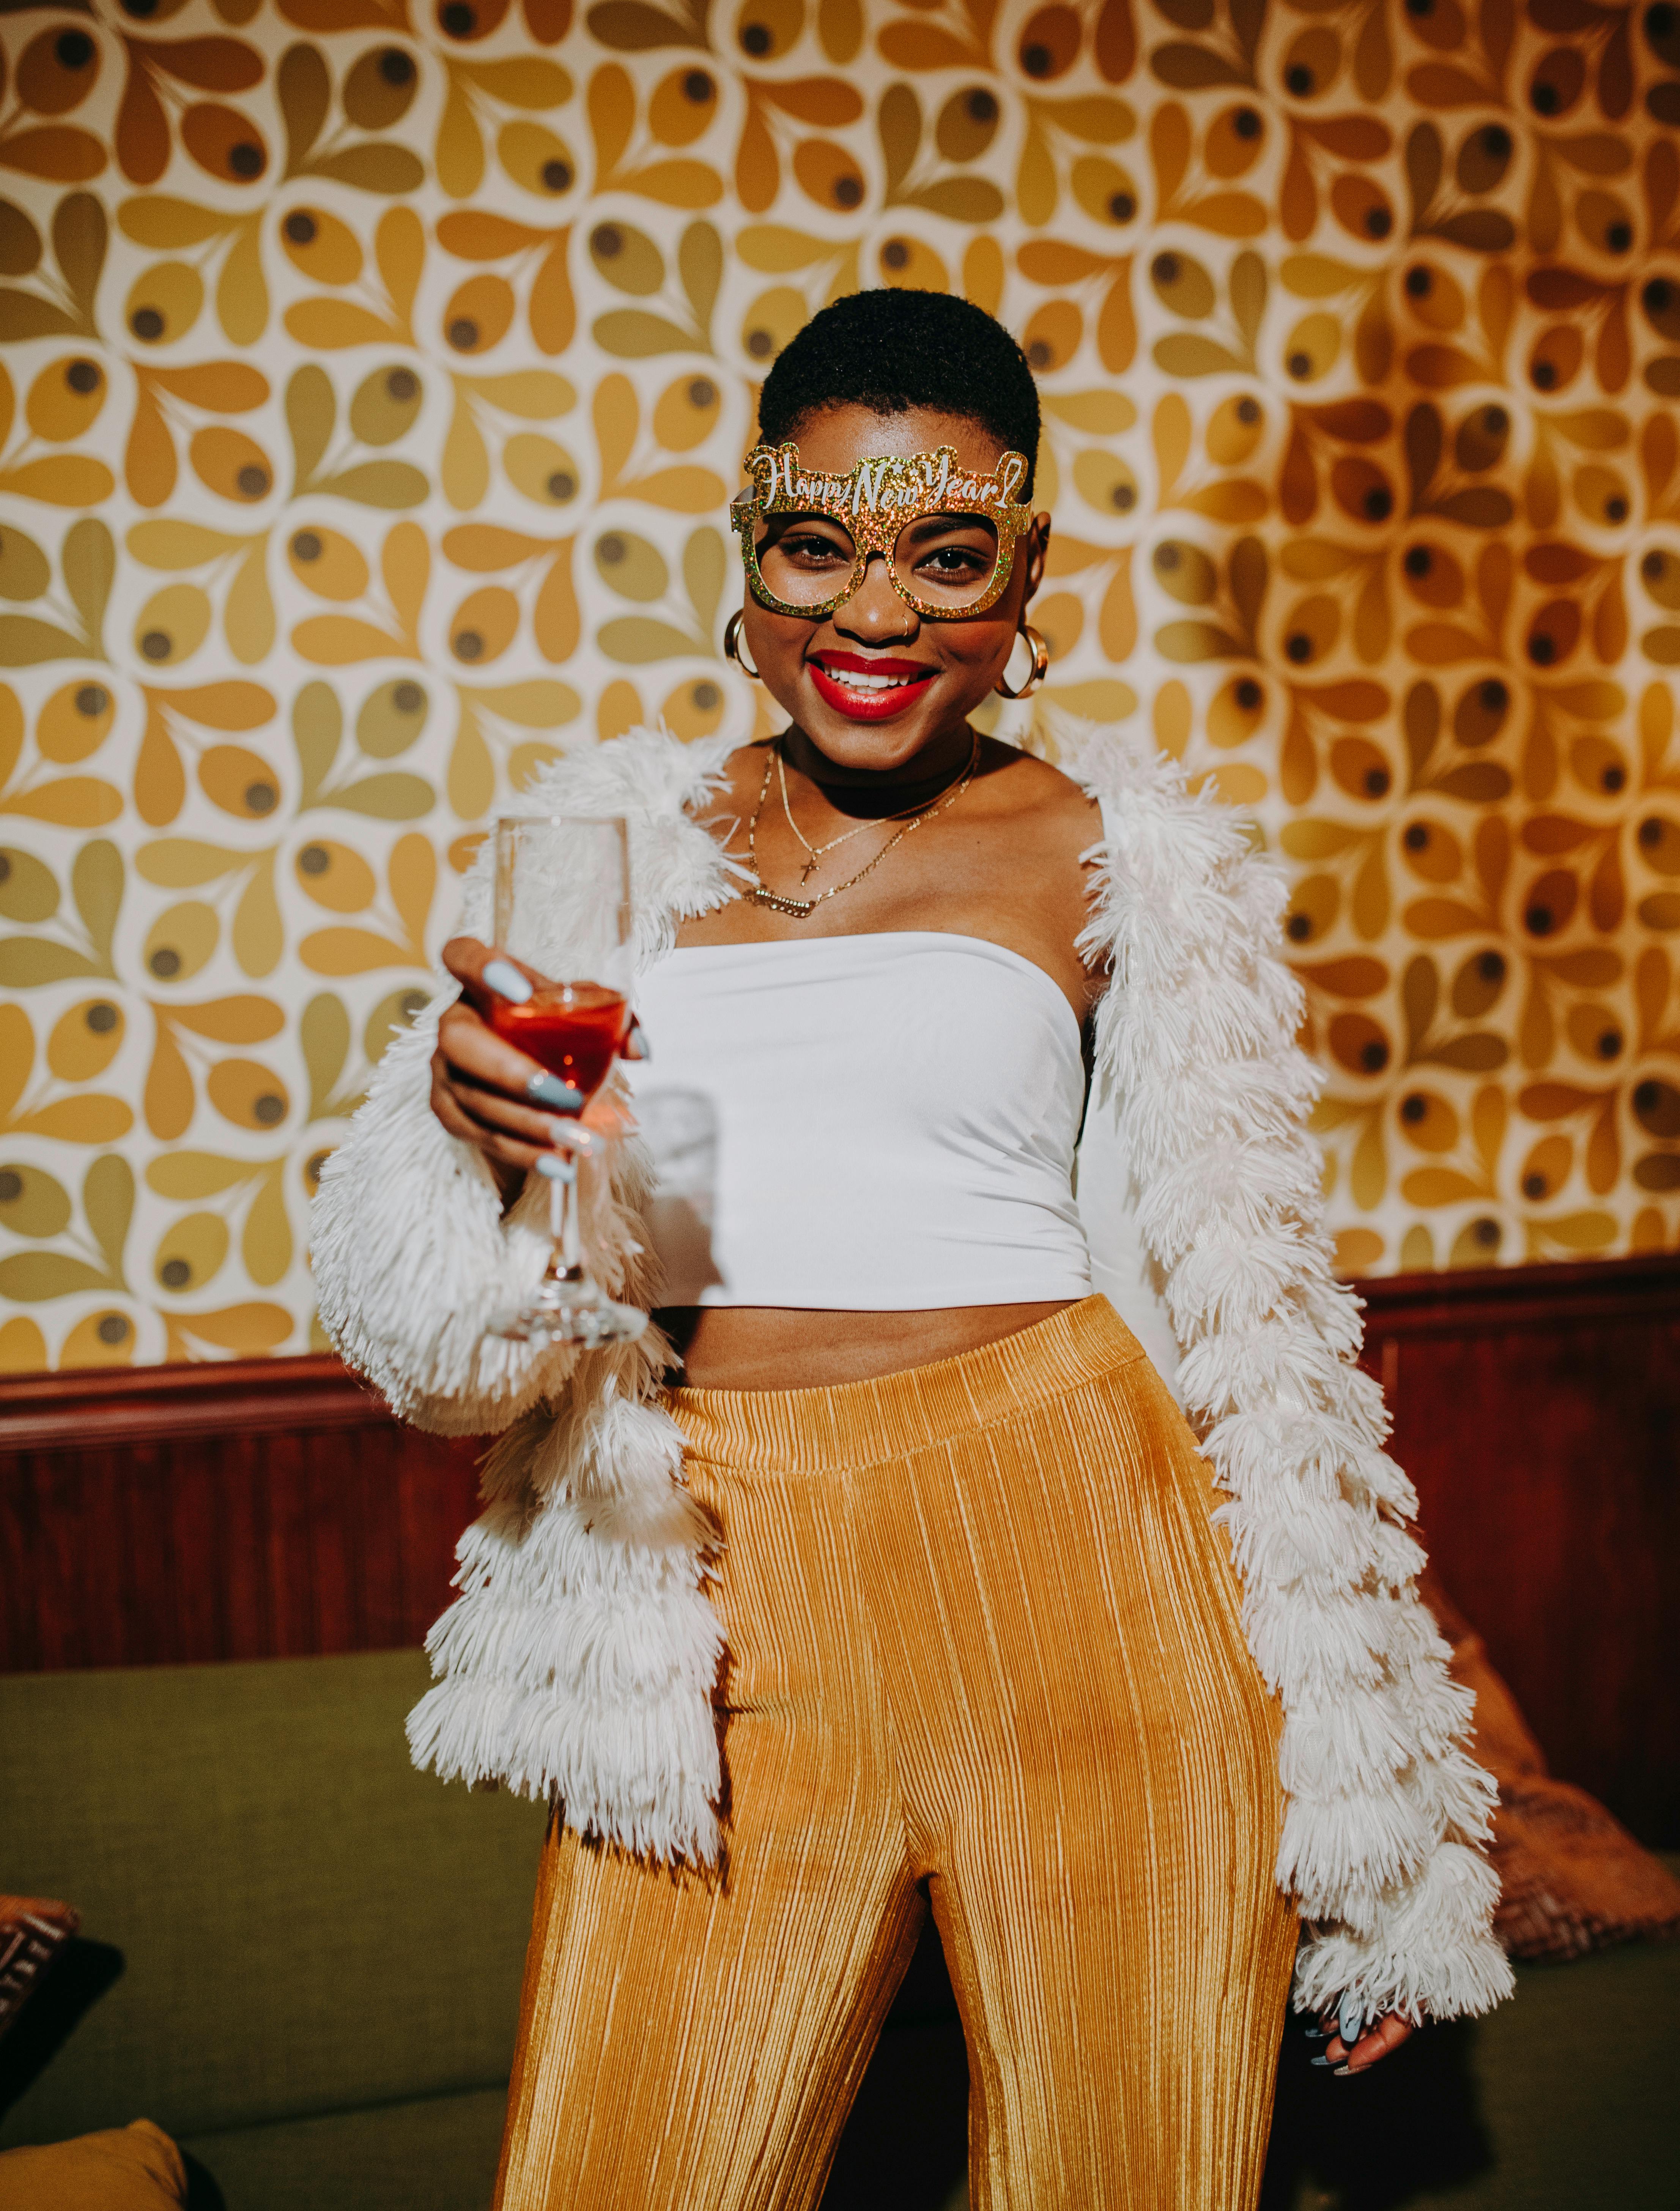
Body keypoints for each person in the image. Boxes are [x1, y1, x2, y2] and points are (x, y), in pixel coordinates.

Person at [312, 290, 1510, 2211]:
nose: (875, 616)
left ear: (1023, 575)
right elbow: (451, 1364)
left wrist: (1384, 1839)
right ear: (749, 550)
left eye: (948, 558)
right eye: (819, 546)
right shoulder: (599, 852)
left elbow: (1265, 1340)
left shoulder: (1129, 856)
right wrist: (467, 1141)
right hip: (721, 1579)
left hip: (1092, 1559)